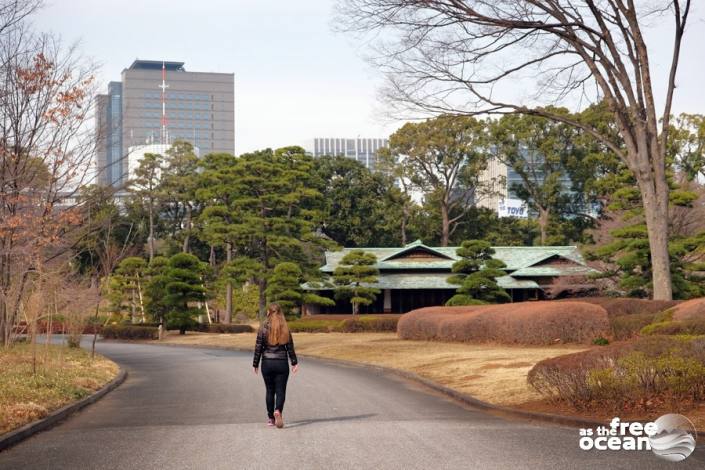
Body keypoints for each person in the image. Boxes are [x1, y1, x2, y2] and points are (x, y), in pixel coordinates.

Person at [253, 303, 299, 428]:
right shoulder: (285, 327)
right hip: (281, 363)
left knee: (269, 390)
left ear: (268, 312)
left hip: (267, 363)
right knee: (280, 390)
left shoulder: (263, 327)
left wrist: (255, 363)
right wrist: (294, 362)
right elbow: (290, 347)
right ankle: (278, 410)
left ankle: (270, 418)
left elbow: (258, 346)